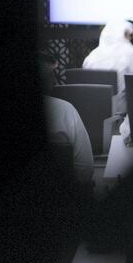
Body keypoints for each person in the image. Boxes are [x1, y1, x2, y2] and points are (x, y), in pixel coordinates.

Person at [39, 53, 94, 184]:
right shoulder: (65, 111)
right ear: (50, 79)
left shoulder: (90, 58)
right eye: (52, 74)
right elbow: (86, 170)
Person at [82, 19, 133, 114]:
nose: (129, 38)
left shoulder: (90, 57)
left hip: (91, 113)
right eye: (127, 35)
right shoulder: (129, 52)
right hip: (120, 116)